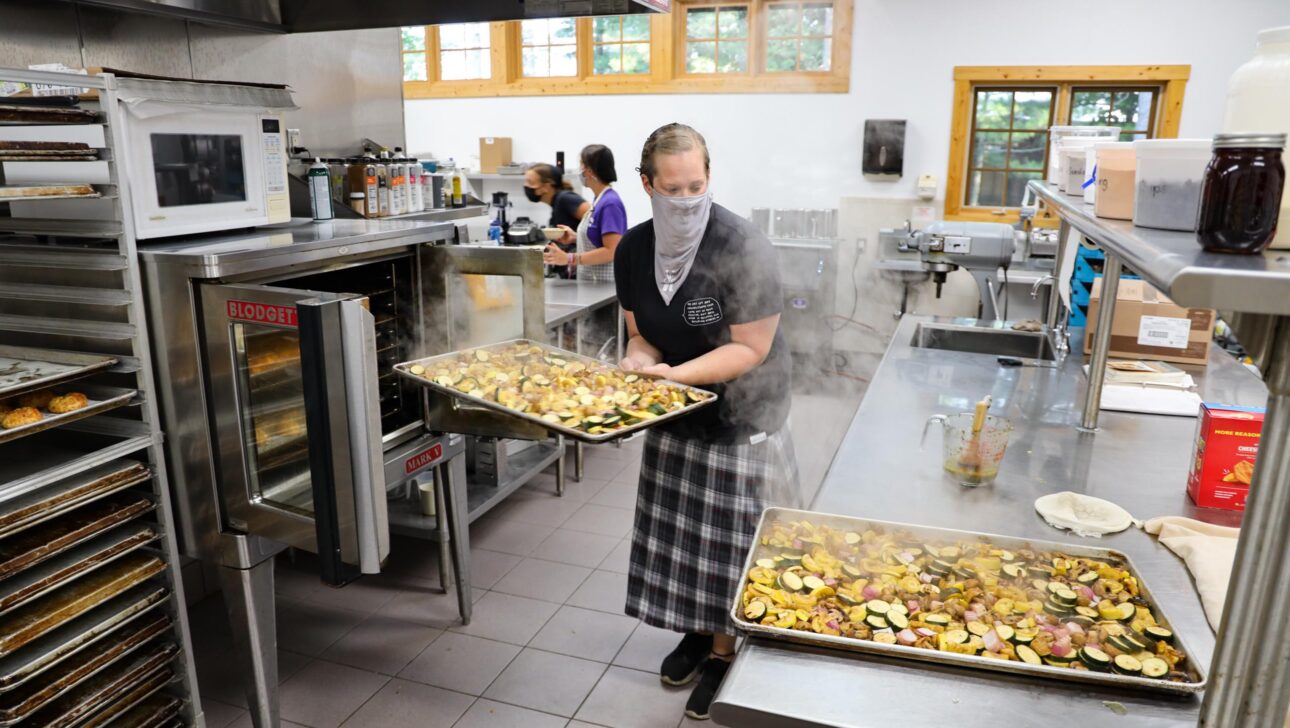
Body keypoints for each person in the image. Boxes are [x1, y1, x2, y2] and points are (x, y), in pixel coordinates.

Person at [614, 123, 800, 721]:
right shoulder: (634, 250)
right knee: (685, 543)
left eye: (697, 185)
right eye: (673, 188)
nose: (687, 198)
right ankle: (699, 634)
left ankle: (724, 652)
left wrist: (673, 378)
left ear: (710, 177)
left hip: (742, 421)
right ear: (647, 184)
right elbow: (640, 333)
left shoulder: (742, 245)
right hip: (675, 420)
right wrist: (639, 362)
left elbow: (751, 349)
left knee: (729, 548)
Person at [542, 144, 627, 282]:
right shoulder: (599, 200)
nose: (580, 171)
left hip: (604, 286)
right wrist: (575, 237)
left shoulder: (610, 203)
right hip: (593, 283)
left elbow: (611, 251)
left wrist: (569, 258)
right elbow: (599, 239)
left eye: (581, 166)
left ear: (589, 171)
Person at [524, 163, 587, 278]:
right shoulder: (556, 203)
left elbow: (594, 217)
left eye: (531, 182)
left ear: (546, 187)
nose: (526, 186)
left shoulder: (565, 199)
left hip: (580, 270)